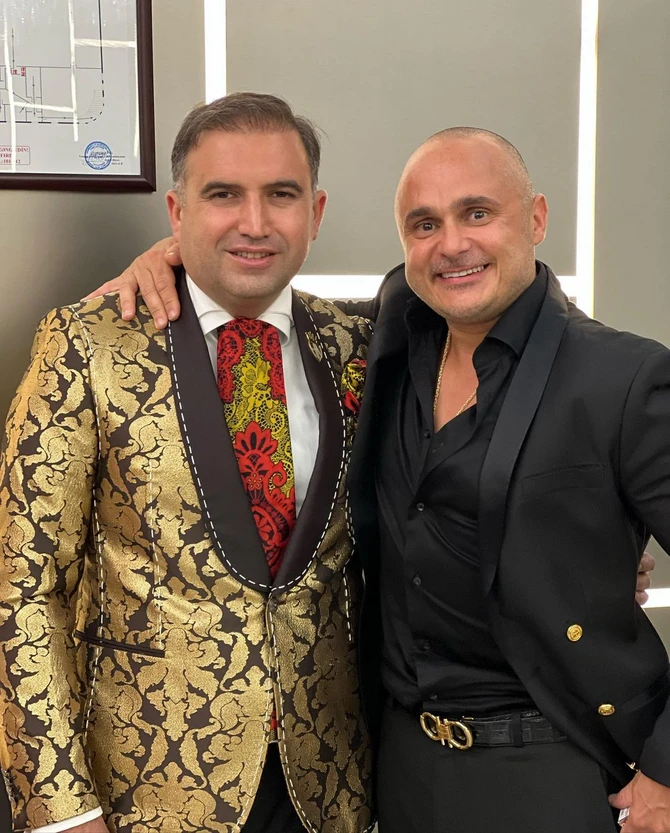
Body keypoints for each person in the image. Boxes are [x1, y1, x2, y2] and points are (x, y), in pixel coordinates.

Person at [97, 126, 670, 833]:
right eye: (424, 224)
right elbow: (245, 273)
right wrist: (171, 255)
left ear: (537, 217)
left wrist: (666, 773)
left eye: (478, 213)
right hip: (399, 766)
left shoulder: (622, 377)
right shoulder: (390, 335)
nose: (451, 244)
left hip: (550, 766)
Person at [0, 93, 374, 833]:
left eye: (281, 195)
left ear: (317, 211)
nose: (255, 222)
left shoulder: (359, 343)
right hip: (144, 793)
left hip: (330, 787)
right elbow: (23, 583)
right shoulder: (86, 344)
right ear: (177, 211)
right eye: (223, 194)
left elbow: (501, 293)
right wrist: (60, 810)